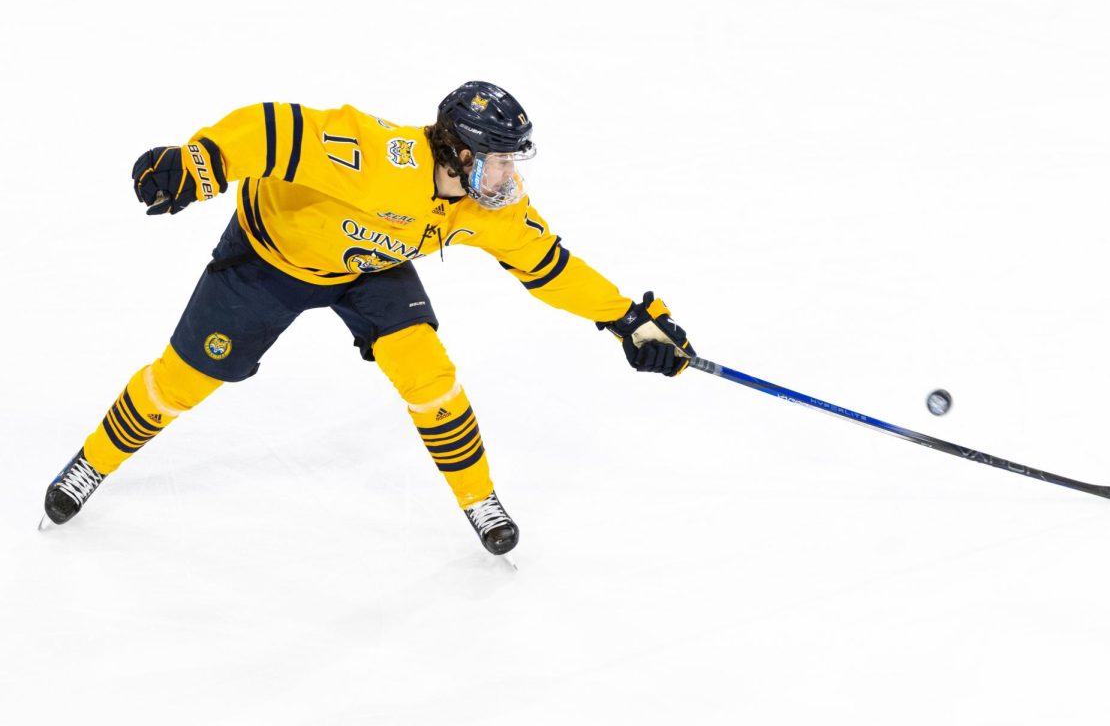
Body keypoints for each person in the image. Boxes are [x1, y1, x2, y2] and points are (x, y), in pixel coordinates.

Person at [41, 81, 694, 555]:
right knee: (179, 382)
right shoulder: (376, 156)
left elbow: (548, 265)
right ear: (461, 155)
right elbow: (273, 128)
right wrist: (199, 164)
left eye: (512, 159)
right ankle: (92, 463)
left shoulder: (482, 207)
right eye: (499, 159)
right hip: (270, 261)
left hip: (369, 268)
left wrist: (628, 319)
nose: (508, 174)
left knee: (428, 372)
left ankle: (479, 498)